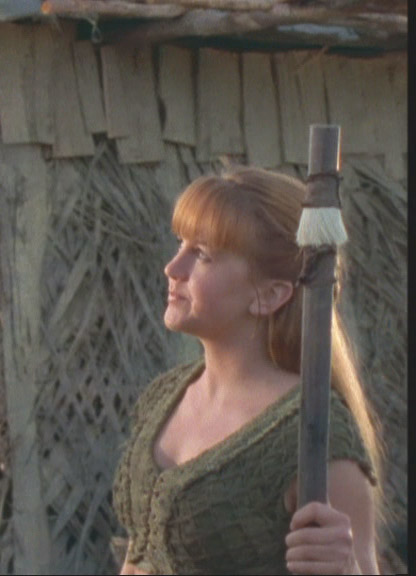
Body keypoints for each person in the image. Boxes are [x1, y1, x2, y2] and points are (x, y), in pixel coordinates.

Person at [111, 167, 384, 575]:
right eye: (181, 244)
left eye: (203, 254)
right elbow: (139, 554)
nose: (173, 267)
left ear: (269, 295)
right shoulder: (163, 398)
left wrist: (345, 569)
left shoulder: (313, 432)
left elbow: (361, 563)